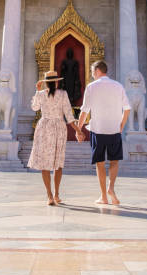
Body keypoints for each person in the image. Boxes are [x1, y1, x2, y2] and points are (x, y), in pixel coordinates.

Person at [76, 60, 131, 205]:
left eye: (93, 72)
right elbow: (127, 109)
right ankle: (111, 188)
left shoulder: (91, 87)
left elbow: (85, 110)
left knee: (100, 163)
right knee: (114, 160)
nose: (92, 74)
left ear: (97, 71)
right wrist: (121, 125)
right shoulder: (118, 86)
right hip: (114, 129)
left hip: (98, 129)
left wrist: (78, 129)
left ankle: (103, 197)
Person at [28, 70, 79, 205]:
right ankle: (56, 194)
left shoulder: (40, 94)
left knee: (45, 163)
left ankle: (49, 195)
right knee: (58, 162)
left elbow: (34, 108)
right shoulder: (63, 94)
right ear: (56, 81)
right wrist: (78, 130)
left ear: (46, 82)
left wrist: (37, 91)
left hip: (44, 127)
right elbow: (69, 114)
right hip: (59, 127)